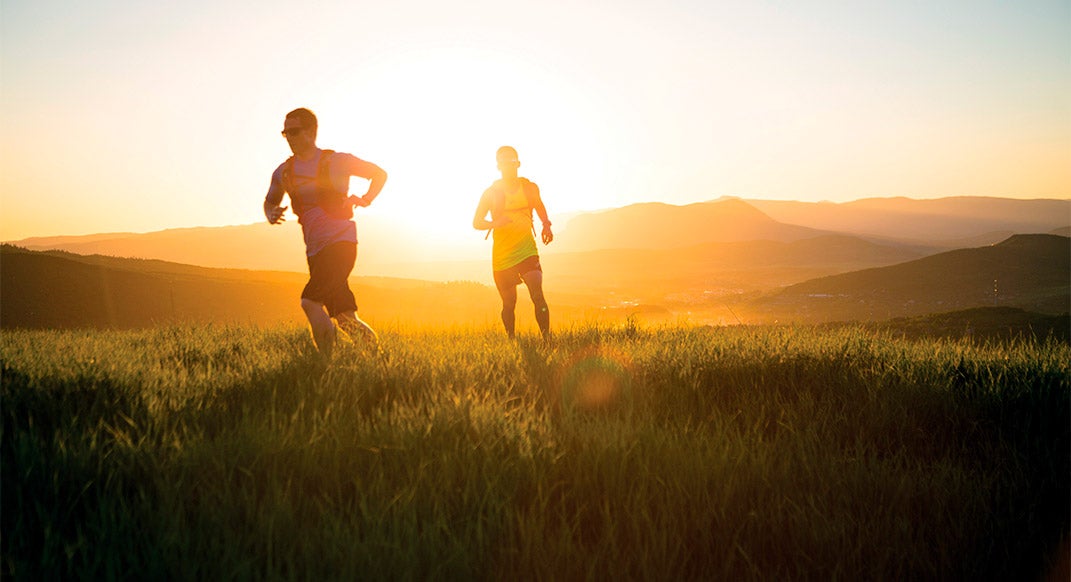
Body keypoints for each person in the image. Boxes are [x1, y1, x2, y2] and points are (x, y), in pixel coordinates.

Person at [263, 108, 386, 357]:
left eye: (294, 131)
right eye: (285, 132)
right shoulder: (283, 172)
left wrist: (365, 199)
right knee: (344, 316)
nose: (289, 137)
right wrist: (271, 213)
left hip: (341, 244)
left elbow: (379, 174)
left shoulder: (337, 161)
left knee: (310, 301)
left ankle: (325, 365)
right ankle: (379, 358)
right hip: (315, 250)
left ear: (311, 132)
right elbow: (270, 201)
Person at [472, 146, 554, 340]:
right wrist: (495, 223)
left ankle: (547, 339)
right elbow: (476, 222)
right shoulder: (490, 193)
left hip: (527, 250)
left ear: (518, 163)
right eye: (504, 162)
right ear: (498, 166)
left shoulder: (529, 188)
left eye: (511, 161)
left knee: (537, 294)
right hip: (503, 255)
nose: (508, 165)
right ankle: (512, 340)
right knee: (509, 304)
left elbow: (540, 206)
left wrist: (546, 225)